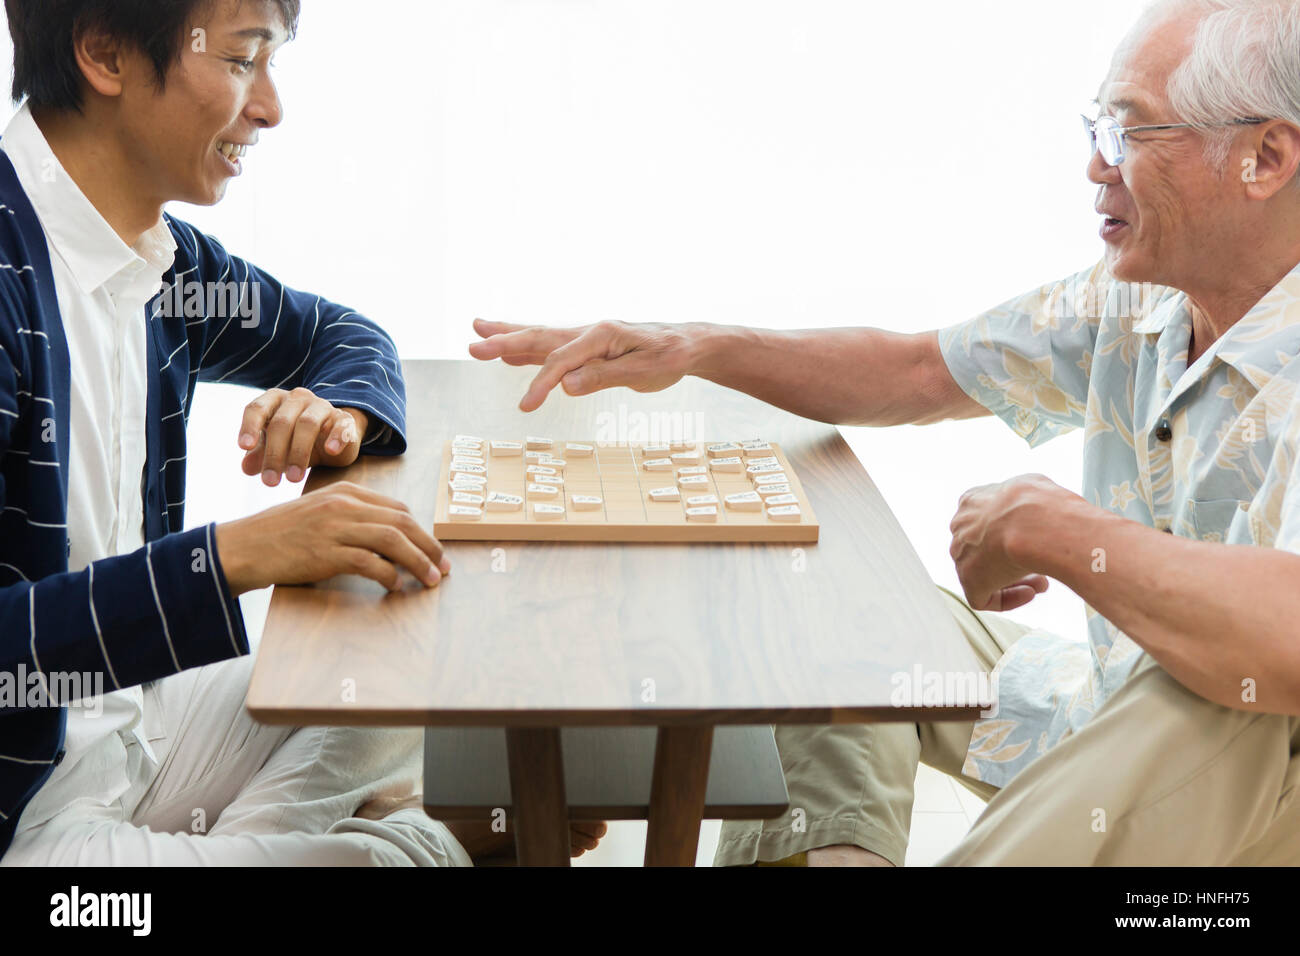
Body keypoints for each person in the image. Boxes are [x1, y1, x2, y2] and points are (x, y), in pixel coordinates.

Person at [470, 0, 1300, 865]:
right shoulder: (1135, 298)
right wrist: (695, 347)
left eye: (1132, 133)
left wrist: (1045, 526)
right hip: (1104, 701)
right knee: (842, 618)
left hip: (1249, 782)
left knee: (1208, 690)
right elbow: (917, 372)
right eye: (1098, 128)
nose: (1097, 166)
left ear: (1264, 157)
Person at [0, 0, 603, 865]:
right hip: (26, 819)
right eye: (243, 59)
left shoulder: (163, 262)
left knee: (392, 673)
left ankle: (278, 841)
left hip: (137, 732)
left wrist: (339, 413)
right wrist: (232, 556)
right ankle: (411, 840)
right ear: (104, 54)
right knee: (375, 858)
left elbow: (343, 335)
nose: (270, 107)